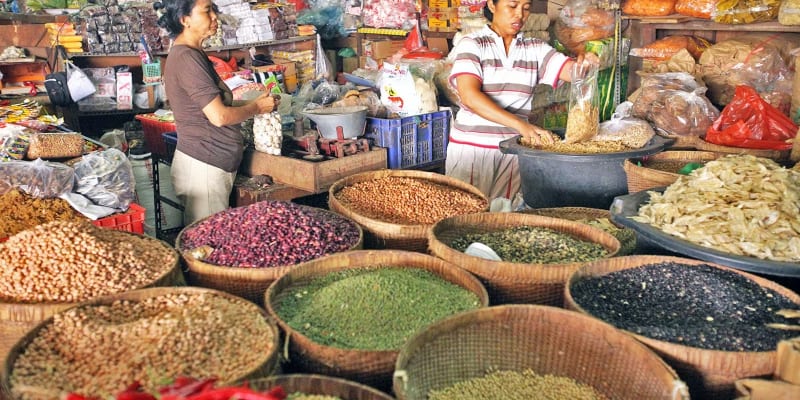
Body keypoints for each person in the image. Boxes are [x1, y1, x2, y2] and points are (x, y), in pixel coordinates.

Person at [447, 0, 594, 202]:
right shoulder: (473, 44)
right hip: (473, 151)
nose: (520, 15)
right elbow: (470, 96)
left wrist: (585, 63)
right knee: (464, 218)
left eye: (526, 8)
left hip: (513, 152)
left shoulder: (534, 48)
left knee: (505, 219)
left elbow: (570, 71)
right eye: (512, 6)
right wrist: (521, 126)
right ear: (492, 5)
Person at [154, 0, 279, 224]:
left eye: (214, 10)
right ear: (185, 20)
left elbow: (212, 106)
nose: (215, 17)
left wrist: (254, 103)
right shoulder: (187, 58)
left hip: (207, 163)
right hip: (205, 166)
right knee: (208, 244)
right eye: (206, 11)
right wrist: (257, 108)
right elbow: (219, 116)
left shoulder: (191, 53)